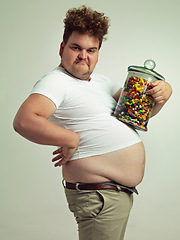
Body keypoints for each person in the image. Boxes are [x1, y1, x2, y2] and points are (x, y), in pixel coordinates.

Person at [13, 5, 172, 240]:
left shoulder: (102, 82)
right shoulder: (56, 81)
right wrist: (70, 138)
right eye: (76, 47)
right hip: (98, 197)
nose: (83, 56)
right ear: (62, 48)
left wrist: (164, 94)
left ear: (98, 53)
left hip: (114, 196)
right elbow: (24, 121)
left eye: (91, 50)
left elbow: (138, 115)